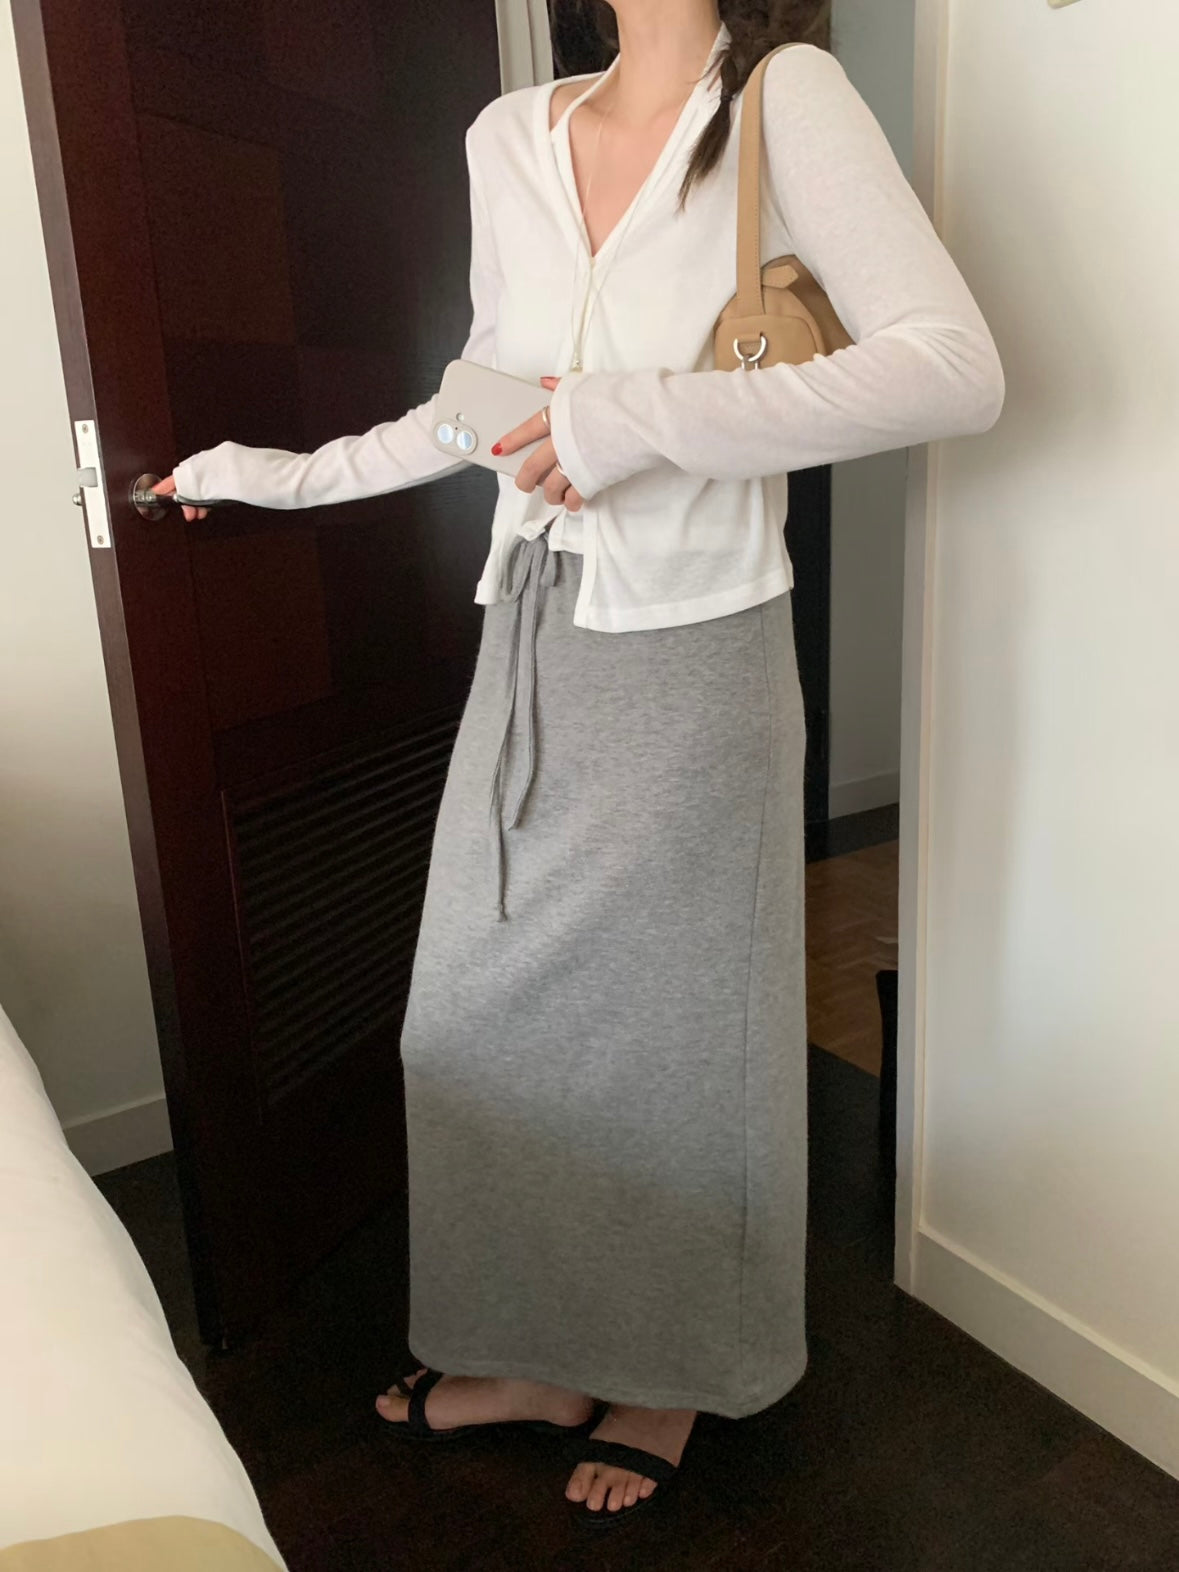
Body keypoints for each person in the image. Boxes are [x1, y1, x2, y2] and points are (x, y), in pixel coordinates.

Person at [157, 0, 1004, 1529]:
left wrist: (635, 422)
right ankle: (540, 1358)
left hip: (698, 649)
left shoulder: (784, 98)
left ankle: (673, 1370)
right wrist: (273, 479)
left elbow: (953, 370)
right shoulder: (507, 135)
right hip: (536, 629)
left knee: (679, 1042)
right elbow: (483, 401)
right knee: (473, 1019)